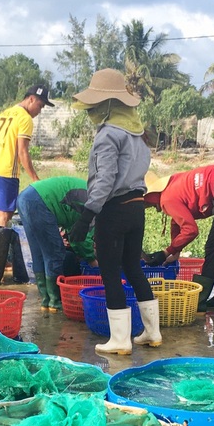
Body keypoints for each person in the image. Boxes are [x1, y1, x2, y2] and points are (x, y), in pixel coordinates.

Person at [68, 69, 161, 355]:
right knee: (133, 268)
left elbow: (105, 180)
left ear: (108, 105)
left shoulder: (108, 135)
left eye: (95, 106)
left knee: (109, 273)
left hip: (114, 210)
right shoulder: (138, 136)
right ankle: (152, 332)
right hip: (136, 208)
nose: (91, 111)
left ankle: (120, 340)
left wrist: (87, 215)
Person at [143, 163, 214, 310]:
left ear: (149, 196)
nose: (149, 207)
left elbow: (190, 230)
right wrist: (175, 251)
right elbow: (177, 221)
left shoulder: (166, 199)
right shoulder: (173, 185)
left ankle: (199, 301)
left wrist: (165, 252)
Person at [15, 176, 94, 312]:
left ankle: (46, 300)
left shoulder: (92, 192)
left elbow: (74, 233)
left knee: (38, 253)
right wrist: (92, 259)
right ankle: (55, 301)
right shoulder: (98, 207)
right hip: (41, 201)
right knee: (55, 253)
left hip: (25, 197)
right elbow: (81, 239)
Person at [0, 85, 53, 228]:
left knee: (3, 213)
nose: (40, 111)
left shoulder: (5, 113)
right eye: (40, 106)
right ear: (31, 99)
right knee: (5, 216)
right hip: (6, 172)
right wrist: (35, 179)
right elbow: (22, 151)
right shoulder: (25, 118)